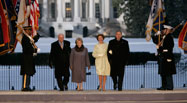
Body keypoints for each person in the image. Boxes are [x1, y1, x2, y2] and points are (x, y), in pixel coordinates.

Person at [152, 25, 176, 90]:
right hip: (162, 57)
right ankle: (164, 86)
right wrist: (155, 35)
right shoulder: (163, 37)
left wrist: (159, 49)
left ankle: (169, 86)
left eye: (164, 30)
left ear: (167, 30)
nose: (162, 31)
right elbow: (155, 41)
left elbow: (168, 48)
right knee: (163, 73)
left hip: (167, 57)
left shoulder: (169, 37)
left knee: (168, 73)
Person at [21, 26, 40, 91]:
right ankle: (24, 86)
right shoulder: (25, 38)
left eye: (30, 30)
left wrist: (37, 35)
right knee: (26, 73)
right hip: (26, 58)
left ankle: (27, 86)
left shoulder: (28, 38)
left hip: (29, 58)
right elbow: (27, 49)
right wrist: (35, 50)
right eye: (29, 30)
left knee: (29, 72)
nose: (30, 31)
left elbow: (33, 41)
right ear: (25, 31)